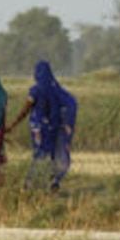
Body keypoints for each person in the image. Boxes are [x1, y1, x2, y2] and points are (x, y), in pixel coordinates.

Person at [6, 60, 77, 192]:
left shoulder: (35, 91)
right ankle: (52, 181)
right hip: (52, 128)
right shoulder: (56, 90)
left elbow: (25, 110)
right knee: (50, 155)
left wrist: (13, 124)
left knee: (39, 154)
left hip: (39, 129)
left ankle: (30, 184)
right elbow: (69, 105)